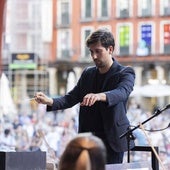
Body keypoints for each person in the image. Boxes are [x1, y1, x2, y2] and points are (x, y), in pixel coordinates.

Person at [34, 28, 135, 164]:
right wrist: (49, 100)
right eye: (91, 52)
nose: (94, 56)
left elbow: (122, 92)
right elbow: (71, 98)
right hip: (87, 138)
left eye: (98, 51)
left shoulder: (125, 72)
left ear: (110, 49)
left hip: (113, 140)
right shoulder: (87, 73)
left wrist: (100, 96)